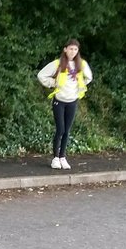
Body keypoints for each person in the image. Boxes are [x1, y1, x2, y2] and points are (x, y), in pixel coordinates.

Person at [37, 39, 93, 170]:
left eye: (75, 49)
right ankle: (55, 158)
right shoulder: (58, 63)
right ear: (65, 49)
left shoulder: (81, 64)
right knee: (60, 129)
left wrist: (80, 87)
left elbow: (89, 77)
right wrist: (53, 83)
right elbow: (41, 75)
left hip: (72, 101)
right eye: (70, 49)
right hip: (59, 101)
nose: (73, 52)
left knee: (67, 131)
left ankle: (63, 156)